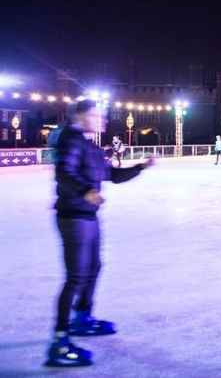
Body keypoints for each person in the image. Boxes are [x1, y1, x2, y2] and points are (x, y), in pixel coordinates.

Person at [46, 99, 155, 368]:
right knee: (75, 277)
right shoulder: (71, 139)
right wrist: (85, 190)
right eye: (96, 115)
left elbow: (112, 175)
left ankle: (82, 317)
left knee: (93, 267)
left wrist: (140, 167)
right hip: (74, 217)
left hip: (88, 217)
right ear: (81, 116)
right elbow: (64, 173)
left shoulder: (88, 144)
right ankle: (59, 342)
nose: (102, 120)